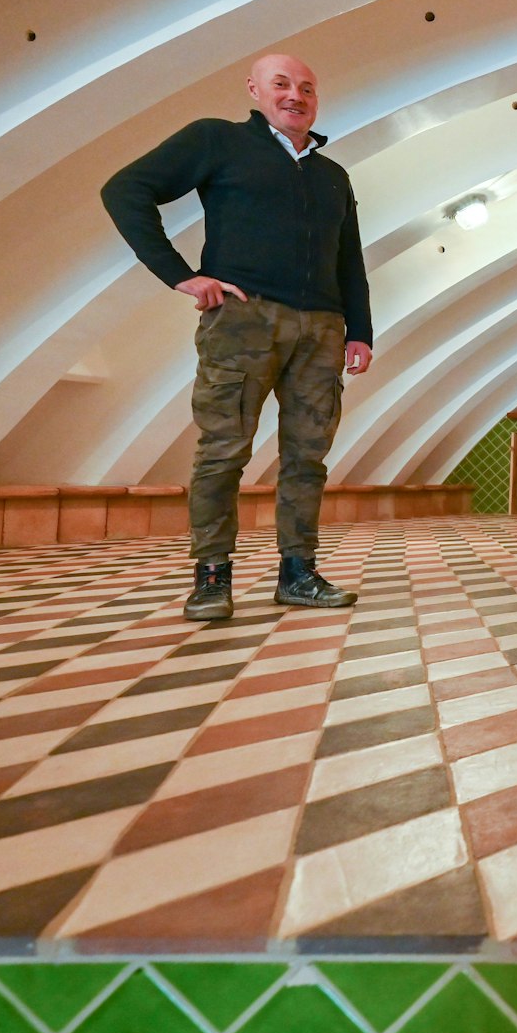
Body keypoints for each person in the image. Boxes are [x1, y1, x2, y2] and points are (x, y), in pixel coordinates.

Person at [103, 54, 372, 621]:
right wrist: (180, 274)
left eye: (307, 87)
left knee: (308, 456)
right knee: (224, 450)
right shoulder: (218, 140)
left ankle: (298, 573)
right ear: (255, 90)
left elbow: (348, 257)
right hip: (243, 319)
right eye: (282, 84)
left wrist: (360, 330)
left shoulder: (333, 175)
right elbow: (125, 190)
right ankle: (211, 576)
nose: (295, 95)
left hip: (322, 328)